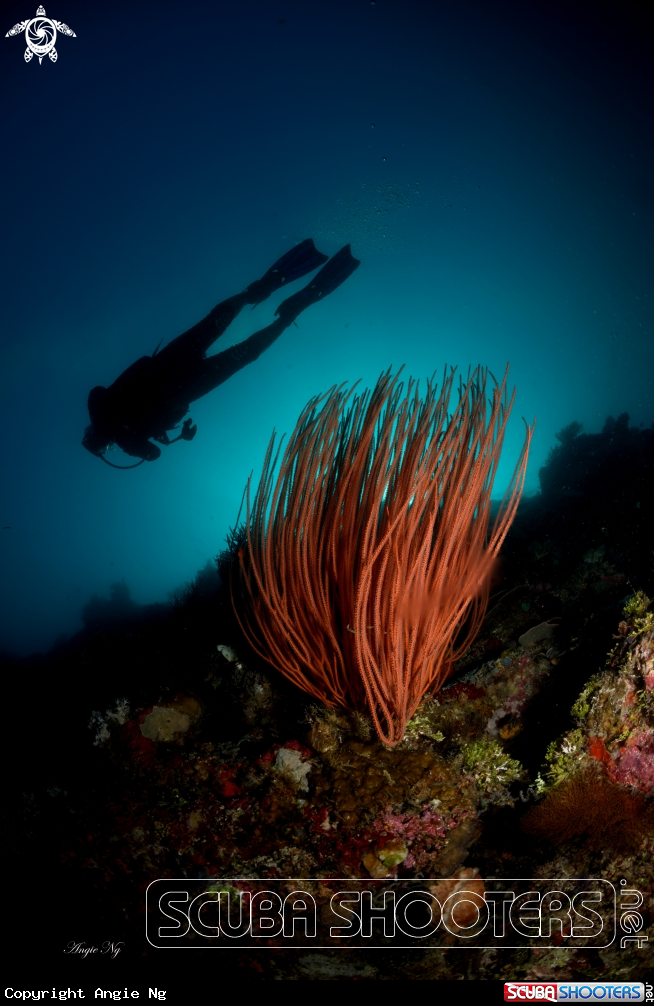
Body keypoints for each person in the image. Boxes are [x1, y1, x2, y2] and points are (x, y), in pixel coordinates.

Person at [82, 240, 360, 466]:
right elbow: (97, 393)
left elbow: (151, 453)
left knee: (242, 352)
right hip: (173, 371)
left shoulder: (120, 429)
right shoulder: (108, 415)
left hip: (183, 381)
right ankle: (259, 294)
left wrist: (124, 436)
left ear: (100, 441)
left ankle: (286, 314)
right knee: (215, 326)